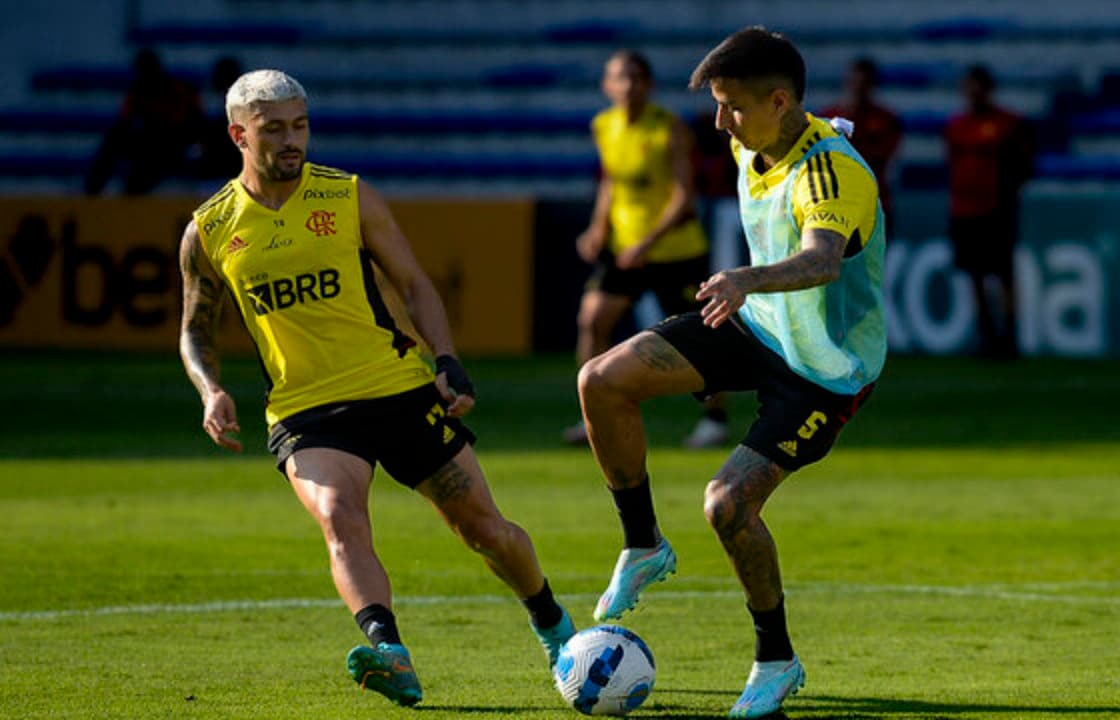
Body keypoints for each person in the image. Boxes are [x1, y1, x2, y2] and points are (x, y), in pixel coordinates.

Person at [178, 69, 575, 708]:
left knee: (484, 531)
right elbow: (194, 327)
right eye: (273, 129)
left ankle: (554, 625)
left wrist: (447, 359)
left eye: (299, 125)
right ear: (237, 135)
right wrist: (209, 389)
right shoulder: (211, 228)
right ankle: (390, 652)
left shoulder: (347, 196)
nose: (291, 140)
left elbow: (415, 283)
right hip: (305, 410)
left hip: (397, 388)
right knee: (340, 519)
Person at [577, 28, 886, 718]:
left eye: (732, 107)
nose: (720, 123)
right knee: (600, 379)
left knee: (727, 505)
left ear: (780, 102)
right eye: (716, 105)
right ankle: (643, 544)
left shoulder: (834, 172)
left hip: (826, 369)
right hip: (759, 329)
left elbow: (823, 259)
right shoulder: (754, 136)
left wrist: (744, 277)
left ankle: (775, 660)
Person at [565, 49, 730, 450]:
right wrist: (597, 227)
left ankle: (715, 418)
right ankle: (595, 414)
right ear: (607, 85)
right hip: (626, 250)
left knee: (703, 333)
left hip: (675, 251)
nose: (629, 85)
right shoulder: (603, 126)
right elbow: (611, 183)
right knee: (592, 321)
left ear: (649, 84)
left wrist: (648, 242)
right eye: (621, 77)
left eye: (637, 77)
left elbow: (684, 196)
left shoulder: (669, 128)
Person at [945, 64, 1033, 358]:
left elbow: (1025, 163)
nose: (973, 92)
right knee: (975, 275)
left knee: (1004, 274)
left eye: (977, 86)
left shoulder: (1008, 124)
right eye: (969, 86)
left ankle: (1009, 335)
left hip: (996, 210)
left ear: (988, 89)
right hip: (965, 210)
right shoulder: (956, 126)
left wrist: (1007, 193)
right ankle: (987, 335)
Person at [85, 48, 203, 194]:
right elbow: (123, 125)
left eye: (150, 70)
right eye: (143, 71)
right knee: (116, 144)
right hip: (149, 146)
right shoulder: (137, 92)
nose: (147, 75)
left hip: (176, 145)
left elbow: (197, 124)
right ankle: (92, 193)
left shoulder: (180, 90)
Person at [820, 57, 903, 231]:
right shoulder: (829, 116)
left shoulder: (886, 119)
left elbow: (884, 157)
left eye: (864, 82)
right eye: (855, 81)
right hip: (838, 204)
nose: (859, 87)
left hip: (874, 203)